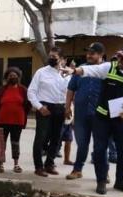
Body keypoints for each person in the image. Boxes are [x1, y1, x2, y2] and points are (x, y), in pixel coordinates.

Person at [71, 43, 123, 195]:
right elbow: (91, 69)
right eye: (119, 56)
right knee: (100, 150)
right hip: (102, 117)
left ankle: (121, 181)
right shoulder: (110, 67)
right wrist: (75, 70)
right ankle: (101, 181)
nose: (120, 60)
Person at [65, 42, 105, 180]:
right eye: (88, 53)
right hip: (81, 114)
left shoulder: (107, 70)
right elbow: (71, 89)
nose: (88, 55)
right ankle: (77, 170)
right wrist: (67, 107)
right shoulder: (80, 70)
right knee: (82, 144)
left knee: (100, 146)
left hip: (100, 115)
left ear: (100, 55)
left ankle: (102, 174)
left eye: (92, 53)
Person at [28, 46, 69, 177]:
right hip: (44, 108)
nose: (51, 59)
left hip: (60, 108)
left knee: (57, 139)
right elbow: (31, 91)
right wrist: (39, 107)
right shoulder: (41, 72)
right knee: (41, 138)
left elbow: (70, 93)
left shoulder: (67, 75)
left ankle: (49, 164)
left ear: (62, 59)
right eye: (50, 56)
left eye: (54, 57)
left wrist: (68, 108)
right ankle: (38, 167)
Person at [0, 67, 31, 173]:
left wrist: (23, 116)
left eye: (14, 75)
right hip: (2, 121)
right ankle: (1, 165)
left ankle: (16, 164)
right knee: (1, 144)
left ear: (18, 77)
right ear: (6, 77)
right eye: (10, 75)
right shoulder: (2, 90)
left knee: (15, 143)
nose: (12, 77)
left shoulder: (23, 90)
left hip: (18, 122)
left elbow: (28, 105)